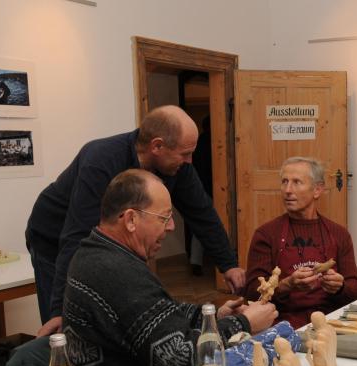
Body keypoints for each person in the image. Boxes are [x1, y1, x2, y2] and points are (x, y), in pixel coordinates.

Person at [62, 169, 278, 366]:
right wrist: (243, 324)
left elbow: (160, 312)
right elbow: (175, 357)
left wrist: (212, 316)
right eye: (164, 218)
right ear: (130, 219)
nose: (172, 226)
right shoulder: (115, 270)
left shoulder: (97, 251)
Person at [26, 105, 246, 336]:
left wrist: (228, 263)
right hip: (52, 237)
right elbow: (75, 236)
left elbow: (202, 212)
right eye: (184, 153)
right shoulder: (101, 158)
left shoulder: (177, 168)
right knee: (67, 325)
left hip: (104, 248)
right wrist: (59, 310)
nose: (190, 160)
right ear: (157, 146)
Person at [243, 157, 357, 328]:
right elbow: (252, 293)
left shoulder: (339, 234)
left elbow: (356, 290)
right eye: (284, 182)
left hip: (331, 320)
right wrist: (286, 285)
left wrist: (340, 287)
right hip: (284, 322)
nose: (288, 190)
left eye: (297, 182)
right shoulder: (266, 234)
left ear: (317, 190)